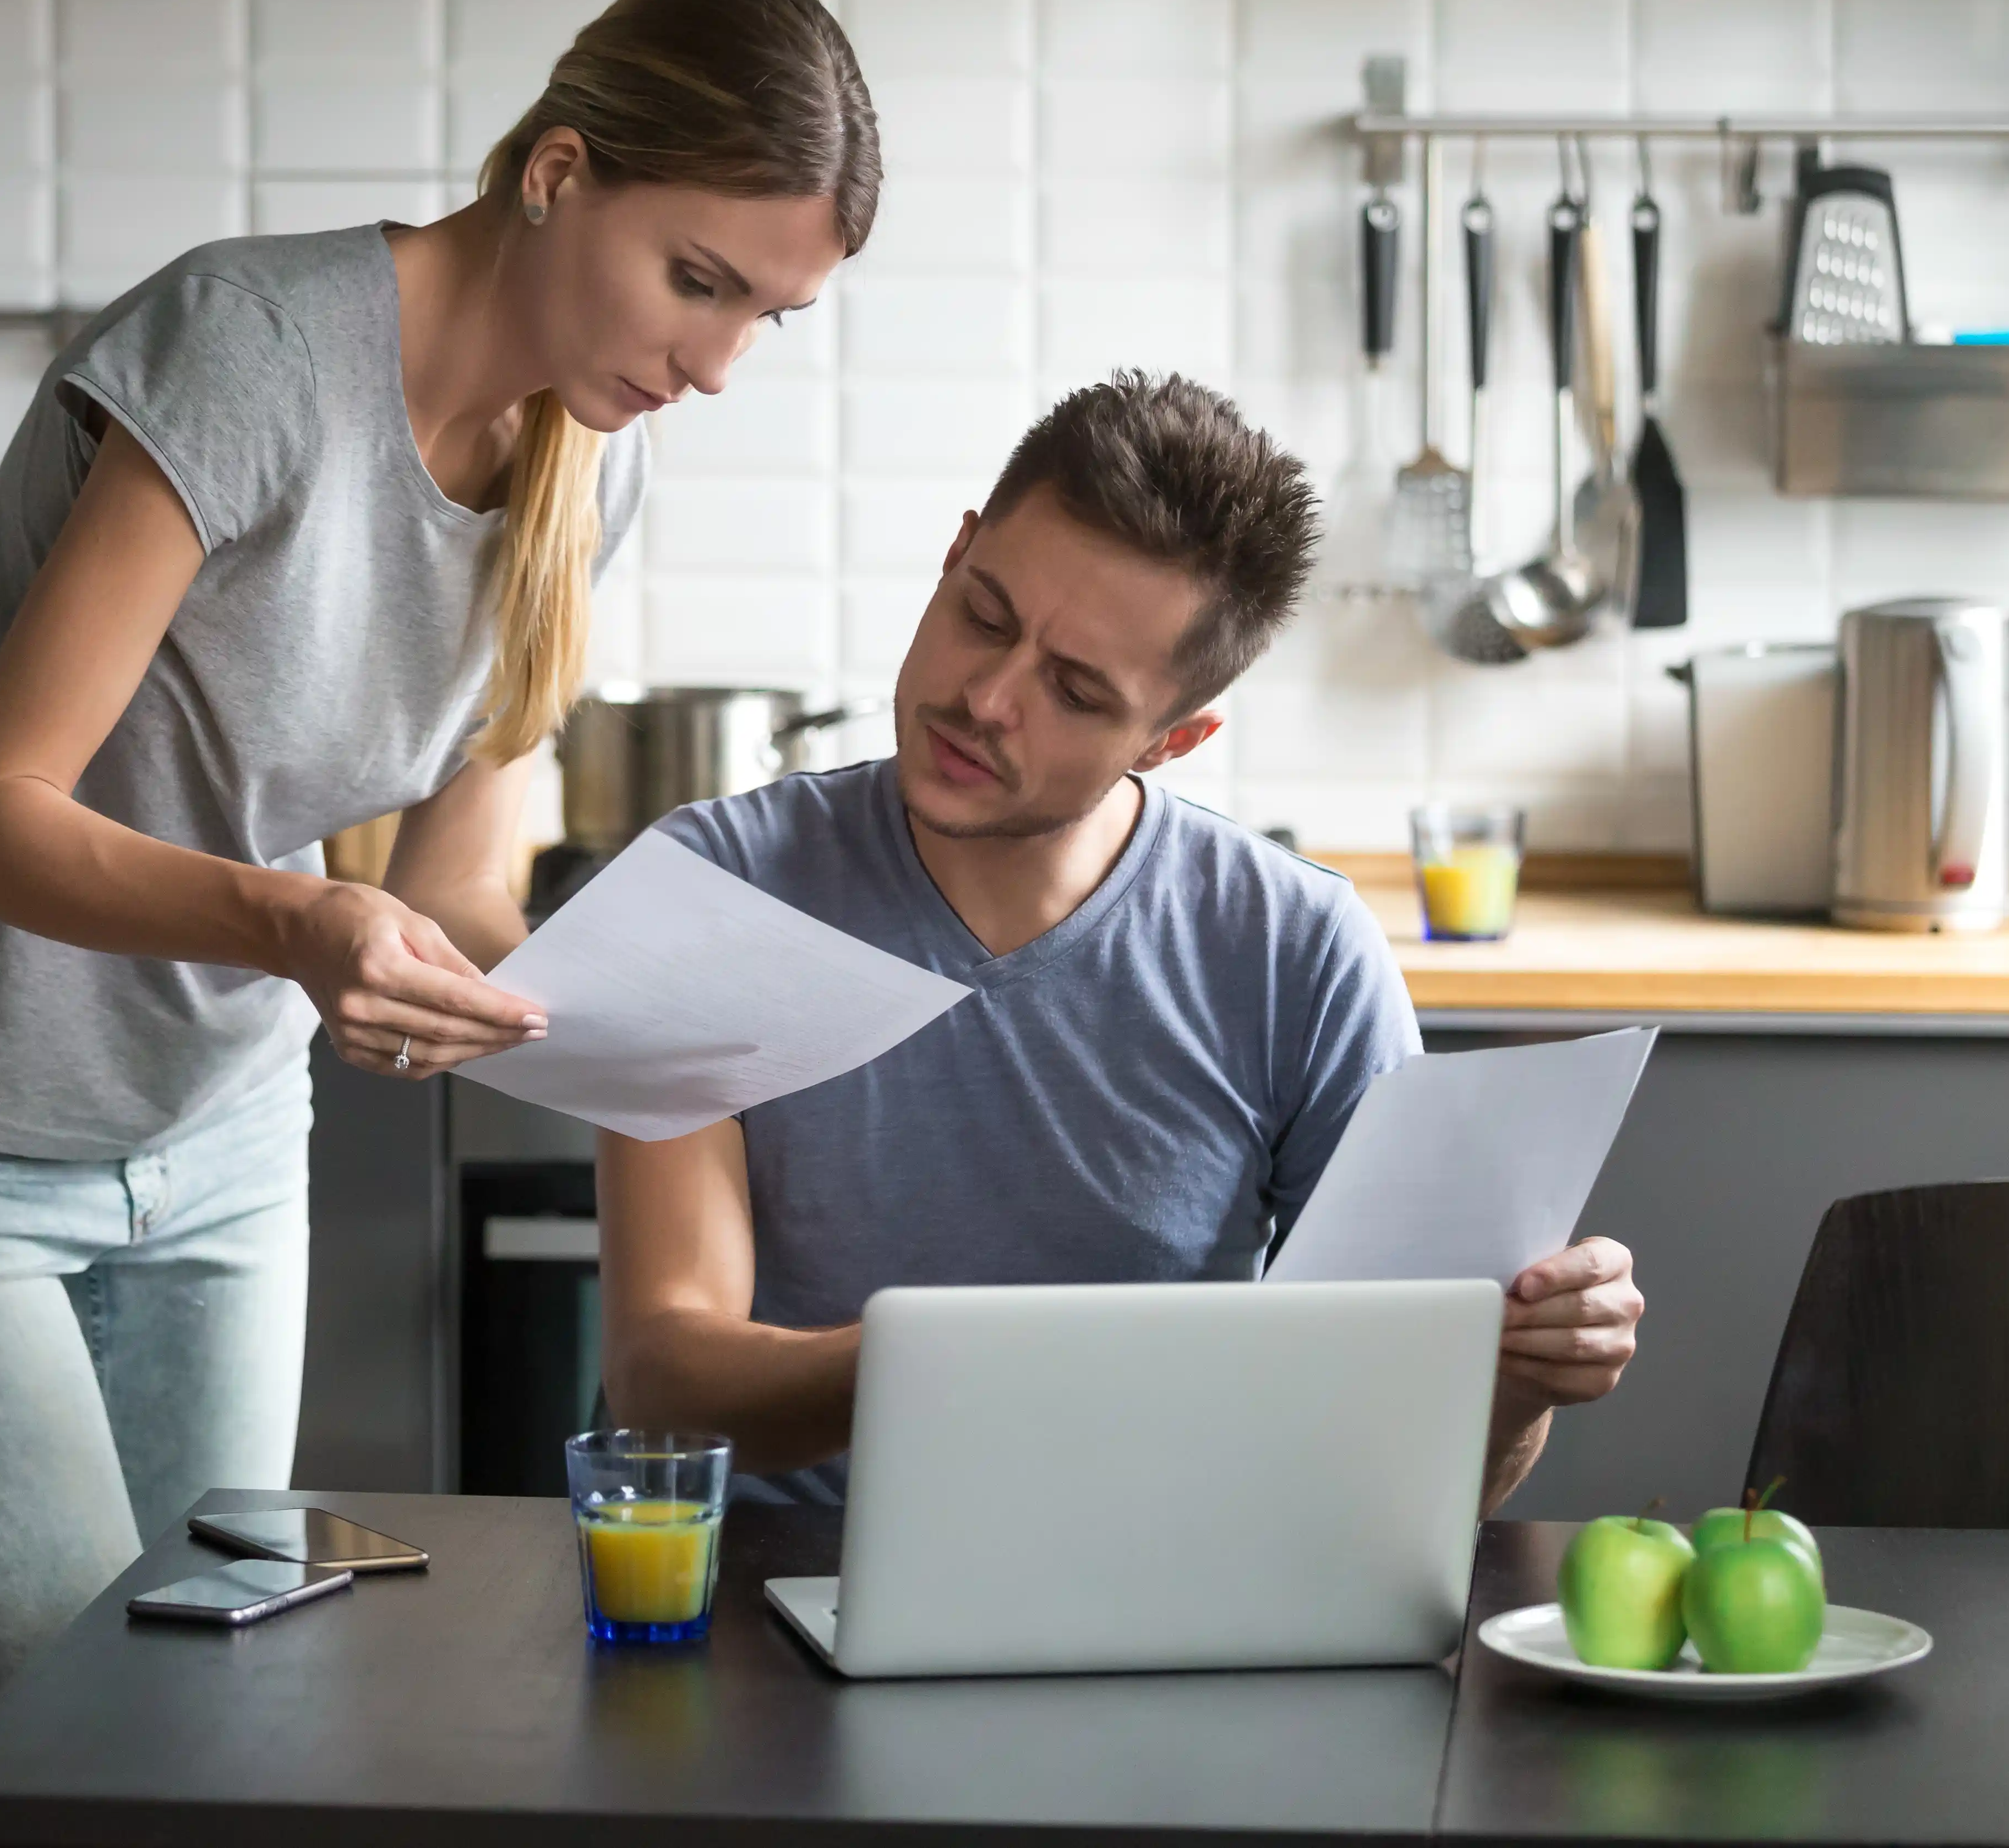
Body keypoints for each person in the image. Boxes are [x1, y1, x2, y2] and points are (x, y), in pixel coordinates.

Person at [0, 0, 880, 1699]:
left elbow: (451, 889)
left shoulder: (596, 458)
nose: (718, 365)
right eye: (699, 282)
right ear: (560, 171)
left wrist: (680, 1024)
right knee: (79, 1725)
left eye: (769, 320)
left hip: (218, 1134)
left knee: (220, 1703)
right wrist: (301, 929)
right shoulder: (251, 351)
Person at [595, 373, 1642, 1509]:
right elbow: (667, 1376)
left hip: (1154, 1595)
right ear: (954, 556)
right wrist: (983, 1358)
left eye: (1078, 692)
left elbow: (1411, 1468)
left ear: (1174, 739)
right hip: (749, 1598)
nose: (988, 698)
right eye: (984, 617)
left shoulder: (1300, 950)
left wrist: (1518, 1376)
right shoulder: (719, 886)